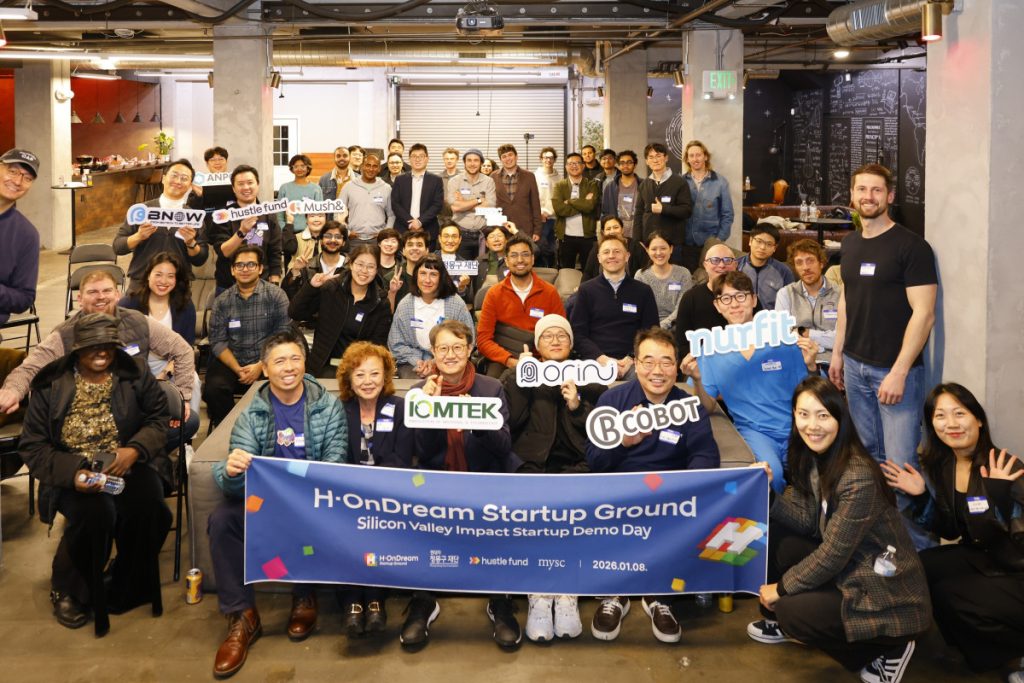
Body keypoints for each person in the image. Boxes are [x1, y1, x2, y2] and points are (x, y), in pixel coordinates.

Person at [747, 376, 930, 683]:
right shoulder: (810, 455)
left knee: (792, 611)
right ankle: (786, 618)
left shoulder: (858, 474)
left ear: (840, 418)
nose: (812, 426)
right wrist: (769, 494)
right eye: (803, 414)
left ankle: (889, 646)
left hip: (883, 586)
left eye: (823, 415)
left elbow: (832, 554)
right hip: (850, 564)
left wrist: (780, 589)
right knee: (776, 536)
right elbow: (806, 520)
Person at [19, 313, 170, 636]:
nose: (101, 352)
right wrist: (74, 473)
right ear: (76, 349)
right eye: (91, 346)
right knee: (96, 513)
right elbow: (33, 446)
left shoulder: (134, 372)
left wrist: (135, 450)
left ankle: (127, 581)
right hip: (72, 469)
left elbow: (159, 419)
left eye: (108, 345)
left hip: (125, 463)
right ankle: (70, 589)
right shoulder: (51, 384)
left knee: (150, 506)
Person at [209, 330, 346, 678]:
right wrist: (231, 470)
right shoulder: (252, 413)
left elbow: (335, 463)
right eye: (280, 361)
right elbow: (233, 482)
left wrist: (299, 494)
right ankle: (242, 615)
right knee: (222, 519)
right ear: (266, 369)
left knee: (313, 516)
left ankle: (304, 595)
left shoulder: (327, 405)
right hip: (264, 502)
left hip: (310, 501)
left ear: (305, 363)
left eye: (295, 359)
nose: (289, 367)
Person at [586, 326, 719, 644]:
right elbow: (594, 461)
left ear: (677, 367)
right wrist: (623, 441)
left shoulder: (688, 406)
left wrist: (682, 491)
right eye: (648, 361)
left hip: (669, 497)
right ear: (635, 363)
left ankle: (660, 596)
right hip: (620, 495)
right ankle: (615, 594)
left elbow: (705, 455)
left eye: (666, 362)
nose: (657, 371)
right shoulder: (612, 399)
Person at [881, 383, 1024, 678]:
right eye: (940, 416)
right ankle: (979, 650)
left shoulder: (1004, 467)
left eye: (959, 413)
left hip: (1015, 569)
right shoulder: (946, 464)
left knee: (950, 595)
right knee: (920, 568)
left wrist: (998, 496)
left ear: (978, 419)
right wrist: (921, 496)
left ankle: (1013, 649)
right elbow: (949, 528)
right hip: (983, 555)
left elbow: (1014, 541)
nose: (951, 424)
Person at [829, 163, 938, 548]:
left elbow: (924, 314)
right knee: (870, 463)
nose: (868, 197)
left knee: (901, 468)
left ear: (890, 196)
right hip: (855, 367)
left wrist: (900, 371)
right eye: (861, 189)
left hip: (895, 375)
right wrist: (838, 354)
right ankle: (884, 543)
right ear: (852, 195)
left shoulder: (912, 247)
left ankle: (919, 554)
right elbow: (847, 301)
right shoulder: (850, 244)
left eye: (876, 190)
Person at [402, 320, 522, 652]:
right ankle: (423, 601)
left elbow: (503, 447)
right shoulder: (419, 393)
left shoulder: (491, 388)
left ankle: (500, 601)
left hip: (484, 479)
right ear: (433, 352)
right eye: (443, 348)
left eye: (458, 347)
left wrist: (477, 420)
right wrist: (428, 410)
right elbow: (422, 452)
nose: (451, 354)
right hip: (438, 480)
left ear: (470, 350)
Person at [501, 314, 604, 643]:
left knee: (573, 518)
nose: (556, 340)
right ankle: (539, 595)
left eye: (562, 336)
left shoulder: (590, 376)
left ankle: (567, 593)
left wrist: (576, 405)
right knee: (535, 519)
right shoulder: (517, 374)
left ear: (572, 344)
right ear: (537, 345)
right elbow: (511, 422)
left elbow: (602, 430)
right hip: (531, 463)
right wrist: (522, 378)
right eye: (548, 336)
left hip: (577, 463)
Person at [682, 271, 818, 491]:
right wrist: (696, 379)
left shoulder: (782, 339)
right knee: (770, 476)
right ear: (717, 306)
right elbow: (705, 406)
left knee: (815, 477)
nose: (734, 304)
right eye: (726, 298)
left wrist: (811, 365)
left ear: (754, 300)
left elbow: (812, 391)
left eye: (741, 296)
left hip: (797, 427)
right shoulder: (711, 349)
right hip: (755, 433)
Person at [0, 269, 195, 418]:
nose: (101, 296)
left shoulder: (139, 322)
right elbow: (31, 367)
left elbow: (183, 350)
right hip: (85, 413)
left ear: (117, 295)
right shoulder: (64, 334)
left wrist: (183, 397)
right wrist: (12, 390)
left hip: (135, 407)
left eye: (107, 290)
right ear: (80, 299)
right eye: (92, 292)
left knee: (189, 421)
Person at [336, 342, 414, 637]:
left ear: (386, 376)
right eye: (360, 375)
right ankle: (353, 601)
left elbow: (401, 459)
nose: (368, 381)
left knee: (376, 526)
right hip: (348, 496)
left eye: (374, 374)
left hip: (388, 495)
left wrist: (374, 492)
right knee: (347, 526)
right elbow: (337, 458)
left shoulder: (400, 408)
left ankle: (375, 598)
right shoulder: (339, 410)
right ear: (349, 379)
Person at [118, 252, 200, 445]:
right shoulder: (129, 303)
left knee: (194, 381)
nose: (164, 281)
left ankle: (186, 439)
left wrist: (165, 373)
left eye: (170, 276)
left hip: (170, 363)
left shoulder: (185, 305)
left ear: (177, 280)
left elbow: (186, 347)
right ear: (148, 275)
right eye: (158, 274)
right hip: (136, 361)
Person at [204, 247, 291, 427]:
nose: (245, 269)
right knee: (214, 388)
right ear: (232, 270)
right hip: (233, 362)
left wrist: (261, 365)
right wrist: (238, 369)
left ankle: (266, 429)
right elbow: (217, 341)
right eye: (239, 265)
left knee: (283, 383)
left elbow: (282, 335)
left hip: (268, 360)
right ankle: (230, 428)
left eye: (251, 264)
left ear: (260, 268)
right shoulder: (222, 301)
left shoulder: (276, 295)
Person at [289, 244, 391, 378]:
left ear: (377, 270)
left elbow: (378, 345)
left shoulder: (380, 302)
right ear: (351, 264)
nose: (364, 271)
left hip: (359, 368)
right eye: (360, 264)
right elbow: (295, 312)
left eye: (370, 267)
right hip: (324, 365)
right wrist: (311, 287)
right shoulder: (332, 289)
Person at [570, 233, 659, 379]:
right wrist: (602, 359)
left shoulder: (643, 291)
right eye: (606, 252)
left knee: (643, 380)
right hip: (596, 361)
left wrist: (631, 358)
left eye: (617, 251)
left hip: (634, 363)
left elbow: (651, 332)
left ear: (627, 256)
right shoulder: (586, 290)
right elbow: (577, 333)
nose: (611, 256)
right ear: (599, 258)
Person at [113, 157, 207, 286]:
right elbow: (118, 247)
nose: (178, 181)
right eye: (174, 175)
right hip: (141, 282)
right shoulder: (141, 210)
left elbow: (200, 259)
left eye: (184, 178)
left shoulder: (194, 217)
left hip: (178, 284)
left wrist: (191, 243)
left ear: (190, 185)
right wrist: (139, 236)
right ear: (163, 178)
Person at [387, 254, 474, 379]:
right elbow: (396, 343)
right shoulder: (405, 305)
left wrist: (435, 362)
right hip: (412, 364)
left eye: (433, 274)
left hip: (450, 360)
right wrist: (418, 362)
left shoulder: (456, 304)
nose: (427, 280)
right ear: (416, 276)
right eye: (423, 273)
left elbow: (469, 339)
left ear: (441, 277)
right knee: (415, 385)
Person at [207, 165, 285, 292]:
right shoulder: (223, 215)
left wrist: (275, 282)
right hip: (228, 285)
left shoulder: (268, 214)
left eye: (250, 182)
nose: (246, 187)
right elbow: (224, 252)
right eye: (240, 184)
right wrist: (242, 231)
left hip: (262, 284)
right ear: (233, 188)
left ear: (258, 185)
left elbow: (275, 251)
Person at [775, 238, 839, 368]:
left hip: (832, 364)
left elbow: (841, 339)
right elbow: (782, 336)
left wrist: (804, 332)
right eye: (799, 263)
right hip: (797, 362)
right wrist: (824, 339)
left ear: (821, 263)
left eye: (810, 261)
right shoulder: (785, 294)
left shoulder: (841, 294)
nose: (805, 267)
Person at [636, 142, 694, 268]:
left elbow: (686, 210)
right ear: (646, 161)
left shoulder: (680, 182)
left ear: (666, 158)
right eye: (651, 157)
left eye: (658, 156)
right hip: (649, 243)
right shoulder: (644, 184)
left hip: (673, 243)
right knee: (649, 275)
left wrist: (664, 209)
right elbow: (638, 213)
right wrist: (638, 239)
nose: (655, 160)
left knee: (673, 276)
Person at [673, 243, 737, 358]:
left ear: (735, 265)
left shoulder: (745, 295)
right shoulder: (690, 298)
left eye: (727, 260)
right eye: (715, 260)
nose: (721, 265)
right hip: (700, 361)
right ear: (705, 265)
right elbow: (682, 343)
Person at [0, 148, 41, 326]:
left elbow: (25, 297)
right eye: (12, 171)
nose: (17, 181)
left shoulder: (27, 235)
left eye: (27, 178)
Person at [682, 140, 734, 256]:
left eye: (698, 155)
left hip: (711, 244)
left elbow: (728, 214)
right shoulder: (681, 182)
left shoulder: (720, 182)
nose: (695, 159)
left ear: (705, 157)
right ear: (687, 159)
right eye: (691, 156)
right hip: (686, 243)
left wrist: (719, 239)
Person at [552, 153, 601, 270]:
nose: (574, 166)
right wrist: (582, 203)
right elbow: (559, 209)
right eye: (571, 163)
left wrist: (569, 201)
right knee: (566, 271)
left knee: (588, 271)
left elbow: (590, 206)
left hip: (587, 237)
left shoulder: (592, 184)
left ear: (583, 166)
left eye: (577, 163)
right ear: (566, 167)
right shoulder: (559, 186)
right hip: (566, 237)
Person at [635, 230, 692, 329]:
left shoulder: (683, 274)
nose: (658, 253)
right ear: (647, 250)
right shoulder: (641, 276)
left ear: (671, 249)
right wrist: (653, 330)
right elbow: (640, 308)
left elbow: (682, 308)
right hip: (649, 328)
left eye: (663, 248)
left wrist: (661, 327)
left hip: (677, 326)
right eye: (654, 249)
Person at [391, 143, 445, 247]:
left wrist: (420, 221)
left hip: (428, 230)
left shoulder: (436, 180)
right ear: (409, 159)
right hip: (403, 230)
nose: (417, 159)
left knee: (428, 258)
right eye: (414, 156)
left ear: (427, 159)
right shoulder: (400, 179)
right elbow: (395, 204)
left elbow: (437, 204)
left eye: (421, 156)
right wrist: (410, 223)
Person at [447, 148, 497, 259]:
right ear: (464, 162)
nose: (472, 164)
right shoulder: (454, 181)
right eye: (469, 160)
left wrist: (463, 204)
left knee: (483, 268)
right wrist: (479, 200)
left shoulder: (489, 181)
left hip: (483, 234)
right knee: (462, 268)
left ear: (481, 163)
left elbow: (490, 207)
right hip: (461, 235)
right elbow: (455, 207)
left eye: (476, 160)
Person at [281, 217, 347, 300]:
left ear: (344, 242)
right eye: (328, 236)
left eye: (338, 237)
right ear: (321, 240)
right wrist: (295, 271)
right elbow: (288, 295)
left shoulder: (351, 266)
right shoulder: (308, 266)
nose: (333, 240)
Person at [339, 153, 394, 247]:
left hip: (377, 241)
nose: (371, 169)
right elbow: (338, 212)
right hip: (354, 240)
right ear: (362, 167)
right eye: (368, 165)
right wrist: (347, 232)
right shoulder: (349, 186)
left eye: (375, 166)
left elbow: (392, 215)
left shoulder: (386, 188)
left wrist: (385, 233)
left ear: (379, 169)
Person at [492, 143, 542, 245]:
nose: (508, 159)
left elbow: (535, 204)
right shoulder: (493, 177)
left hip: (524, 227)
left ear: (516, 156)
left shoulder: (529, 176)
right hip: (501, 228)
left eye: (510, 155)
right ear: (500, 160)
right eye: (504, 156)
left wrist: (537, 230)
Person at [736, 223, 794, 311]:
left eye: (769, 244)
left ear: (775, 248)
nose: (762, 247)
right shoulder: (736, 266)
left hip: (772, 318)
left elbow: (791, 302)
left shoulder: (784, 271)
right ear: (750, 241)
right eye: (759, 241)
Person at [581, 214, 647, 282]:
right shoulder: (597, 247)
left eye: (616, 227)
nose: (612, 231)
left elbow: (645, 270)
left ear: (622, 229)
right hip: (601, 286)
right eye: (608, 229)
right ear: (603, 232)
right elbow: (588, 272)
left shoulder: (635, 246)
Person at [276, 154, 323, 240]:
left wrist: (313, 231)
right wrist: (285, 230)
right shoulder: (284, 188)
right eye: (296, 166)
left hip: (310, 234)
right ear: (292, 169)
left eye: (302, 166)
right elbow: (280, 216)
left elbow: (319, 215)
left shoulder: (316, 189)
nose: (299, 169)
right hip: (288, 234)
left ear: (308, 168)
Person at [600, 149, 640, 238]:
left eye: (629, 162)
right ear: (618, 165)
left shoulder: (643, 185)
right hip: (616, 235)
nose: (625, 165)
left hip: (638, 234)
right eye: (622, 163)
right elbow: (605, 212)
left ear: (635, 165)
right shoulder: (610, 187)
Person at [388, 230, 429, 312]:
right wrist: (392, 293)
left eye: (419, 245)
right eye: (410, 245)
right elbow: (386, 314)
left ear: (427, 251)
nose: (415, 248)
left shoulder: (433, 278)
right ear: (403, 251)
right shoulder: (392, 277)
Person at [534, 146, 560, 267]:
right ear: (541, 159)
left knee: (553, 249)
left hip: (555, 218)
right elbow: (533, 197)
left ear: (554, 160)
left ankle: (552, 271)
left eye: (551, 158)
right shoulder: (535, 176)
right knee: (541, 248)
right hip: (542, 218)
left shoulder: (559, 177)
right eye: (545, 158)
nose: (548, 160)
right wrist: (539, 212)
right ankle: (542, 272)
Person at [436, 223, 474, 305]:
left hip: (454, 307)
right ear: (439, 238)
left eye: (454, 236)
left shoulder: (465, 265)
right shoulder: (429, 260)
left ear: (460, 239)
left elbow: (469, 300)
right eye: (446, 236)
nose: (450, 240)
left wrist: (462, 287)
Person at [196, 146, 234, 211]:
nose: (217, 163)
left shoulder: (235, 181)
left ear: (227, 161)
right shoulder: (200, 183)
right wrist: (199, 195)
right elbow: (191, 208)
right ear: (207, 164)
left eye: (221, 159)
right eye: (212, 160)